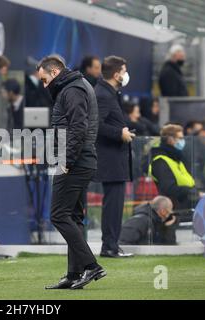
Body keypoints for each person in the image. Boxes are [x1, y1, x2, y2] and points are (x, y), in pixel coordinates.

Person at [36, 55, 106, 290]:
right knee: (73, 217)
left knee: (58, 215)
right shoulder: (77, 85)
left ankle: (91, 266)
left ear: (54, 72)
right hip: (81, 160)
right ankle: (74, 274)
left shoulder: (71, 90)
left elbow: (78, 127)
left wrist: (66, 160)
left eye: (44, 79)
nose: (44, 85)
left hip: (74, 162)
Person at [94, 56, 135, 258]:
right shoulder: (103, 94)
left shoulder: (110, 92)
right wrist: (119, 133)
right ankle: (109, 246)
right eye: (124, 70)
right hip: (109, 159)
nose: (127, 74)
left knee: (116, 205)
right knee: (113, 205)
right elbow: (95, 125)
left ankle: (112, 245)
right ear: (117, 74)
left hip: (115, 158)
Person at [149, 124, 198, 210]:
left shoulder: (176, 158)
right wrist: (190, 191)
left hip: (185, 204)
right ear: (170, 139)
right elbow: (168, 188)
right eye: (180, 138)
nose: (183, 141)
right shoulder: (160, 160)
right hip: (171, 208)